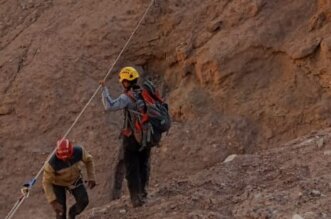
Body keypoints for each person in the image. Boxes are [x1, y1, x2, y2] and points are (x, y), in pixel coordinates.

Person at [100, 66, 151, 207]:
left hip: (132, 137)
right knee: (143, 164)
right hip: (147, 135)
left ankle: (136, 198)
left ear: (126, 82)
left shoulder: (127, 97)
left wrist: (104, 89)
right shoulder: (145, 93)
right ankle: (143, 193)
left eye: (123, 80)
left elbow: (109, 106)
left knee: (131, 167)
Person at [42, 138, 96, 219]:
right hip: (57, 184)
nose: (64, 159)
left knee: (83, 200)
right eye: (62, 158)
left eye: (67, 157)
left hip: (74, 179)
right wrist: (53, 202)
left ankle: (72, 213)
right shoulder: (51, 163)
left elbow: (89, 160)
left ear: (71, 151)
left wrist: (91, 177)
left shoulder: (79, 151)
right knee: (60, 211)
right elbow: (46, 182)